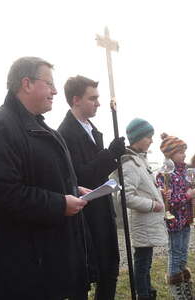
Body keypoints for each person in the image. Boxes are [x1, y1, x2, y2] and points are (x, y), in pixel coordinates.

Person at [0, 57, 91, 300]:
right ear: (26, 83)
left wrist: (70, 188)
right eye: (49, 84)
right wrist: (59, 203)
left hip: (45, 266)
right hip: (21, 272)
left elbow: (36, 178)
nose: (55, 91)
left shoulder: (38, 127)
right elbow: (0, 194)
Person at [58, 75, 125, 300]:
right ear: (76, 100)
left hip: (102, 210)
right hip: (83, 216)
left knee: (110, 269)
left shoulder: (93, 130)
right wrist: (110, 154)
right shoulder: (65, 134)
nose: (98, 103)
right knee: (84, 275)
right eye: (93, 98)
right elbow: (78, 176)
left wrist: (113, 158)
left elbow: (98, 173)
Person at [112, 118, 167, 300]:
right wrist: (153, 204)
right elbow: (126, 197)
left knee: (146, 263)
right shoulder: (129, 164)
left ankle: (147, 293)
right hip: (143, 223)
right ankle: (143, 295)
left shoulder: (140, 160)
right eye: (148, 137)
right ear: (137, 138)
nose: (151, 140)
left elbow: (144, 188)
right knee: (142, 264)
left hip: (148, 223)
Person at [157, 133, 195, 300]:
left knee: (183, 252)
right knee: (175, 252)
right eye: (181, 152)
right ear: (170, 154)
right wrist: (187, 196)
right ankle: (177, 289)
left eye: (184, 151)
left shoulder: (185, 172)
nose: (184, 154)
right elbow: (168, 201)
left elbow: (188, 191)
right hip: (173, 220)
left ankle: (184, 285)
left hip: (185, 219)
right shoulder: (164, 175)